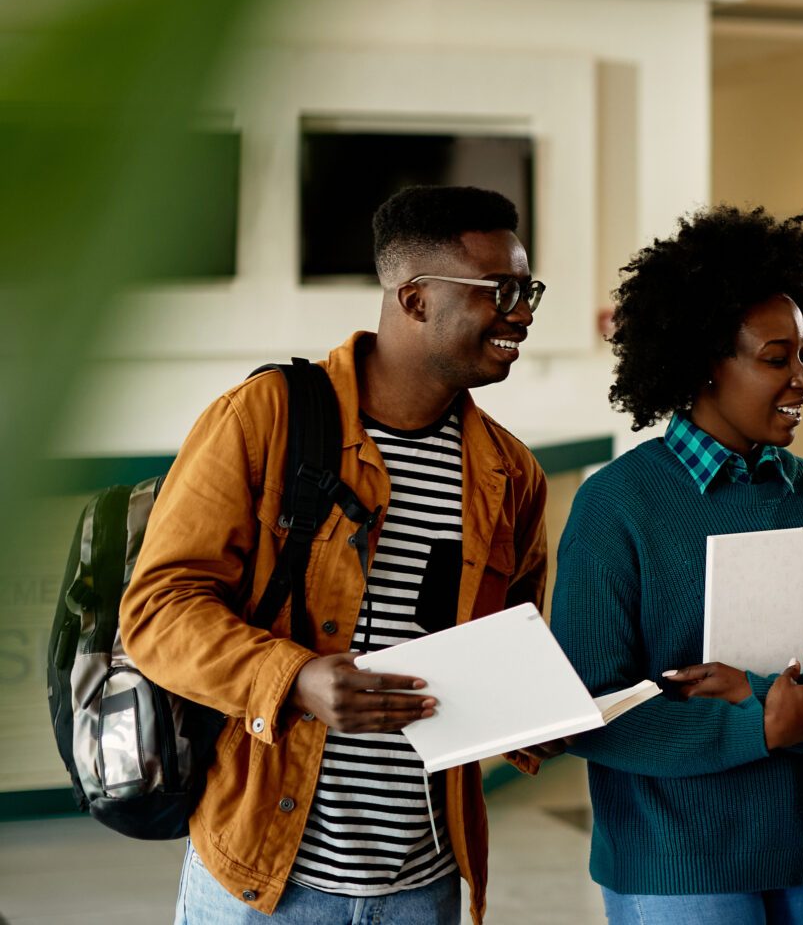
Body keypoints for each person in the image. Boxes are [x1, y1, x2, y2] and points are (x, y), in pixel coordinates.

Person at [121, 186, 554, 924]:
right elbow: (157, 611)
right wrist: (293, 679)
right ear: (414, 299)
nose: (523, 312)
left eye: (528, 288)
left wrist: (550, 710)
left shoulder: (509, 474)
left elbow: (506, 646)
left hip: (426, 882)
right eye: (501, 290)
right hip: (263, 880)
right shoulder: (265, 418)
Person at [550, 204, 803, 925]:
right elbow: (587, 711)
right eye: (777, 359)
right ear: (704, 364)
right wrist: (765, 725)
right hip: (673, 865)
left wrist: (774, 694)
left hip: (801, 852)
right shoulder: (617, 505)